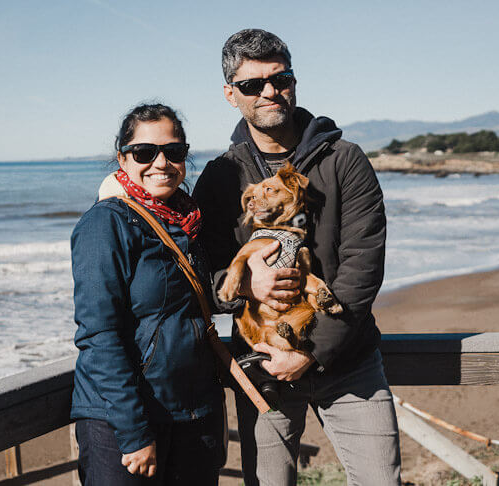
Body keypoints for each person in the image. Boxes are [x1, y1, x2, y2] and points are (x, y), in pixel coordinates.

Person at [193, 29, 402, 486]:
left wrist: (314, 352)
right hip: (263, 360)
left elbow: (363, 263)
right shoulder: (218, 178)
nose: (269, 91)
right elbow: (200, 273)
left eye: (280, 78)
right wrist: (246, 284)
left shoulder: (344, 160)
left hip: (348, 359)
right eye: (252, 84)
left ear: (293, 82)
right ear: (231, 94)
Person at [70, 103, 225, 485]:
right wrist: (134, 432)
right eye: (144, 152)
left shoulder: (189, 220)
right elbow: (98, 335)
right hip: (125, 421)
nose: (161, 162)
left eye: (173, 151)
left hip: (195, 413)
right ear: (122, 158)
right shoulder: (106, 224)